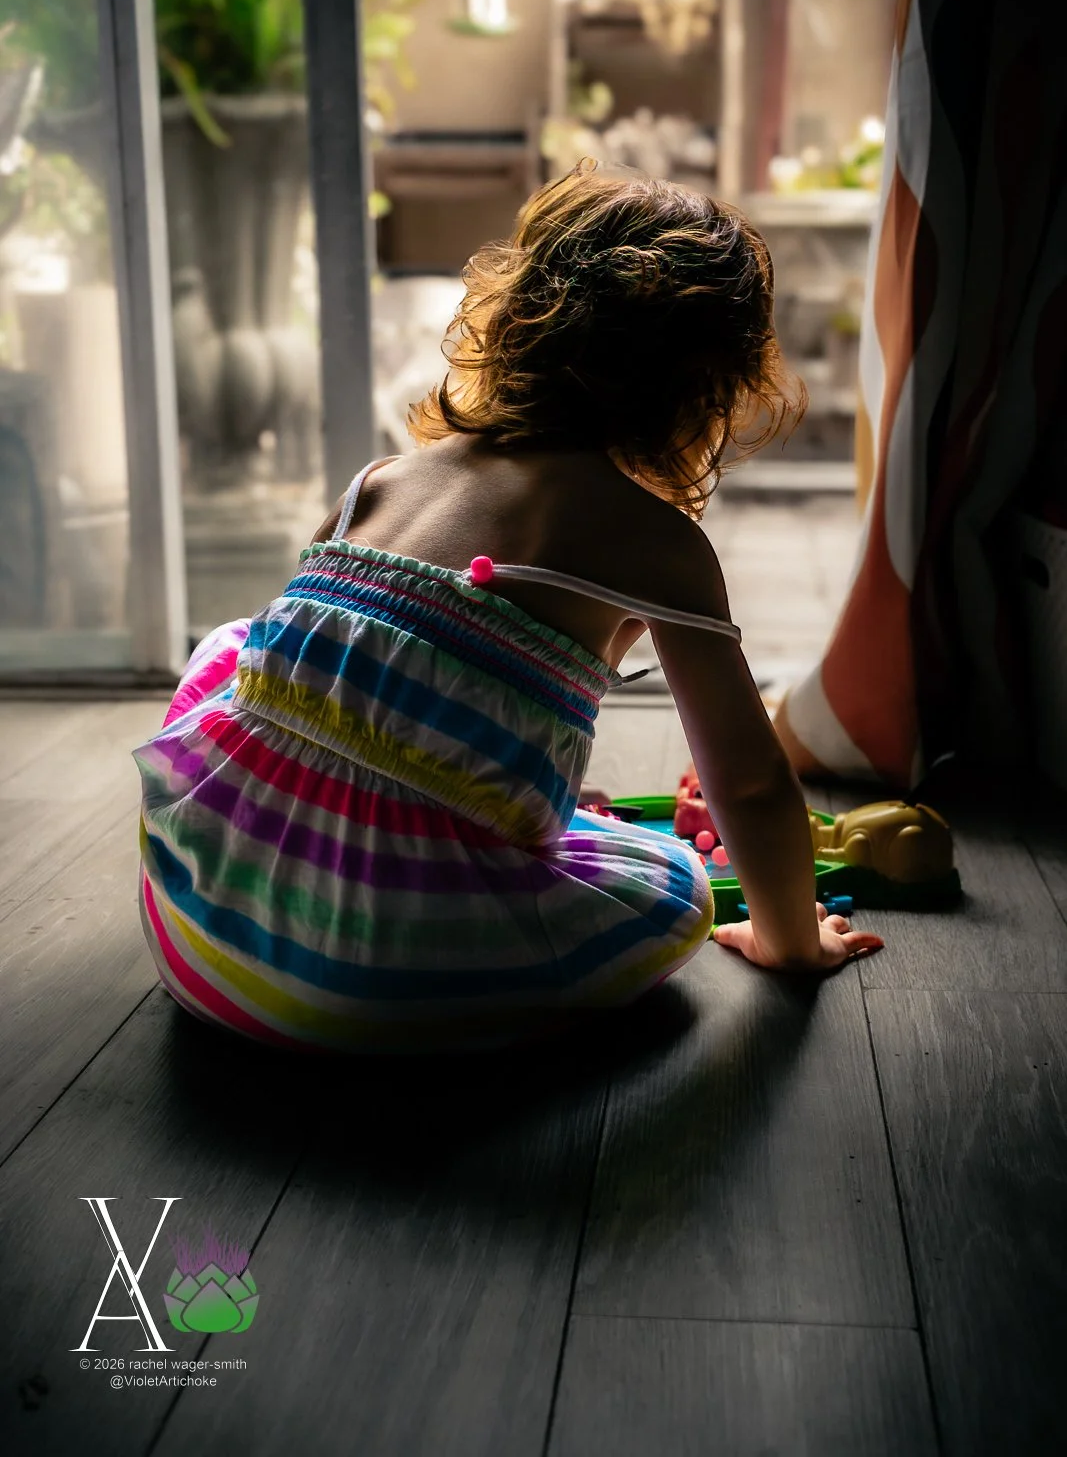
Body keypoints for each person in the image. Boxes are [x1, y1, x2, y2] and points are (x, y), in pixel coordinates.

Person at [133, 161, 884, 1055]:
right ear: (706, 391)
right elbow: (752, 785)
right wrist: (788, 941)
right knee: (676, 891)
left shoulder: (377, 484)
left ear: (517, 314)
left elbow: (337, 675)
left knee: (236, 651)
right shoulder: (655, 543)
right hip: (374, 983)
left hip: (199, 936)